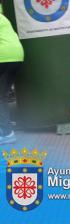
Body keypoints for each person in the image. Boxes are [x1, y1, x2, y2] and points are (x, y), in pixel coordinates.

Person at [0, 12, 23, 145]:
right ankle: (5, 127)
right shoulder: (2, 15)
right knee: (2, 96)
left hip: (3, 56)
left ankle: (6, 132)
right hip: (17, 55)